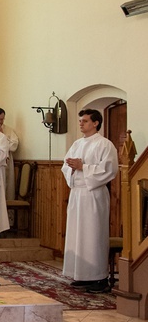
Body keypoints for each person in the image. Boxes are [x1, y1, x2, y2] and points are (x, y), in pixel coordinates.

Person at [61, 109, 118, 293]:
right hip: (77, 193)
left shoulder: (105, 144)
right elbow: (65, 165)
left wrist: (83, 167)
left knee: (93, 235)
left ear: (95, 123)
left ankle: (99, 277)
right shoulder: (77, 143)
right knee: (77, 235)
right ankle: (82, 275)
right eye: (80, 121)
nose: (81, 124)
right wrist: (71, 167)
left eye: (85, 121)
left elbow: (109, 169)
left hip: (93, 194)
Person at [0, 107, 20, 200]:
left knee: (7, 186)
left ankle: (8, 213)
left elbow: (14, 146)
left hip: (6, 162)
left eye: (2, 119)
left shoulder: (9, 130)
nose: (0, 122)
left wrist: (3, 136)